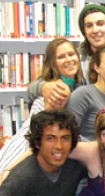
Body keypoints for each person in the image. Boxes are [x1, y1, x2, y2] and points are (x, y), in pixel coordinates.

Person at [27, 4, 105, 106]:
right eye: (89, 25)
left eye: (100, 24)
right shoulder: (75, 58)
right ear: (84, 32)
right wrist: (43, 87)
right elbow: (32, 89)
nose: (95, 30)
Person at [0, 38, 82, 173]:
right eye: (61, 57)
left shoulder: (76, 84)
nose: (68, 59)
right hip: (27, 145)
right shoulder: (58, 89)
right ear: (53, 63)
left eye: (71, 54)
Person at [66, 44, 105, 141]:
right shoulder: (83, 95)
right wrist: (97, 148)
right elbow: (68, 133)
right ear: (96, 67)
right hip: (84, 155)